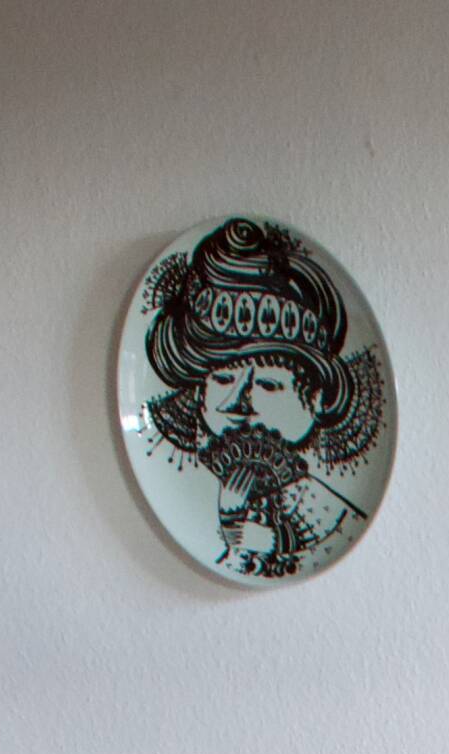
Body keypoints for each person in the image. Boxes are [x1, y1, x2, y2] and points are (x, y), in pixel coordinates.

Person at [141, 218, 386, 581]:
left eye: (270, 386)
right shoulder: (177, 495)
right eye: (223, 378)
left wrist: (261, 540)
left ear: (316, 399)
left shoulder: (331, 514)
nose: (238, 404)